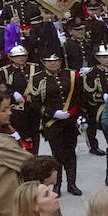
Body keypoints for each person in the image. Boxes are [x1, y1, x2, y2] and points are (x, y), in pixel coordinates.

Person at [32, 52, 81, 195]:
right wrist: (52, 113)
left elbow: (78, 96)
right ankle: (57, 184)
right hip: (52, 123)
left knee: (71, 153)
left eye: (56, 61)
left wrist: (78, 116)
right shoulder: (38, 79)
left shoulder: (70, 75)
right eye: (49, 61)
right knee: (57, 155)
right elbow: (34, 102)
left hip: (70, 121)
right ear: (44, 62)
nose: (53, 64)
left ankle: (72, 184)